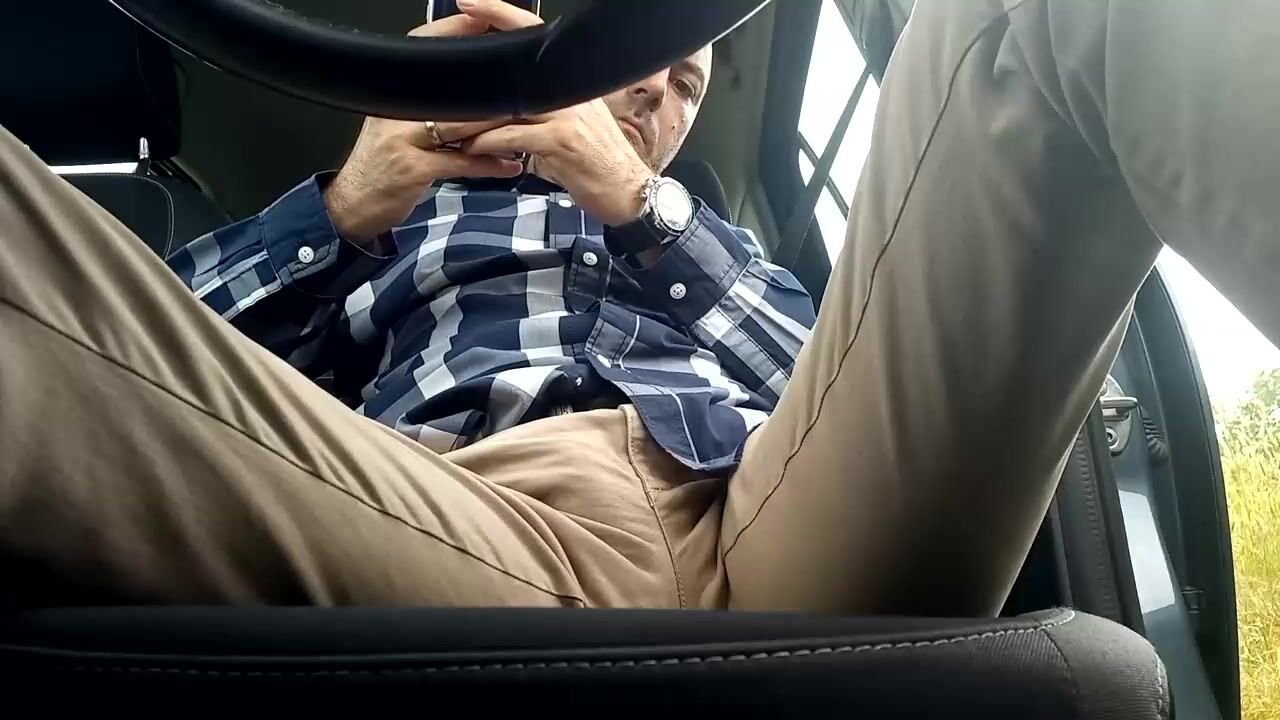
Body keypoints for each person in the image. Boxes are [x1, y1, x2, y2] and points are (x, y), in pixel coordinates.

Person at [1, 0, 1276, 615]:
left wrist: (635, 206)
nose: (657, 92)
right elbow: (144, 362)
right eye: (630, 66)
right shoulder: (389, 231)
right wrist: (342, 206)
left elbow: (827, 377)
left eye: (685, 83)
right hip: (442, 516)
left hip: (770, 516)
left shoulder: (722, 245)